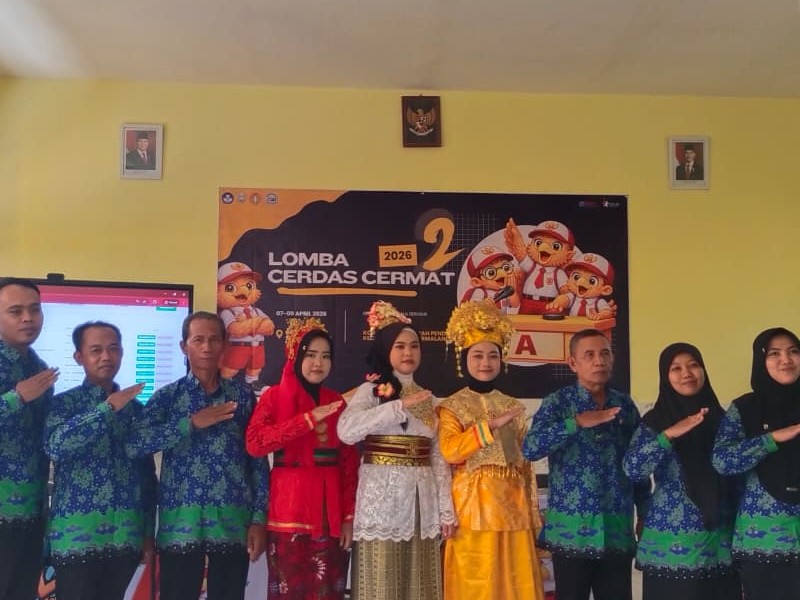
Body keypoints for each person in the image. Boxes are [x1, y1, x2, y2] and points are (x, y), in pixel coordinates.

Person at [126, 311, 269, 600]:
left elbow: (257, 459)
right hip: (181, 527)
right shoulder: (168, 397)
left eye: (214, 340)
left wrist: (258, 519)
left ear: (224, 345)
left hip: (232, 524)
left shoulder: (242, 398)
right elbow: (135, 445)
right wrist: (189, 423)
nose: (206, 347)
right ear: (184, 346)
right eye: (198, 340)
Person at [337, 300, 457, 600]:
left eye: (414, 346)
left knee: (419, 583)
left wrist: (446, 511)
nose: (408, 353)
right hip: (380, 501)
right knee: (381, 582)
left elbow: (438, 459)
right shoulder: (372, 391)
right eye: (400, 346)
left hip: (421, 502)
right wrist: (397, 407)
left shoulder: (430, 399)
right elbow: (346, 432)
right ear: (386, 350)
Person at [522, 328, 650, 600]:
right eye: (589, 355)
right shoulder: (558, 403)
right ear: (573, 363)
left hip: (616, 530)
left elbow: (638, 463)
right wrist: (576, 423)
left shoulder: (624, 405)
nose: (599, 361)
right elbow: (531, 449)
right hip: (571, 533)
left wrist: (644, 513)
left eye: (605, 354)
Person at [437, 300, 545, 600]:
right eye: (478, 355)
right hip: (472, 509)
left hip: (514, 507)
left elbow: (524, 464)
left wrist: (532, 511)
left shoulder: (512, 405)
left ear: (502, 360)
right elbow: (450, 451)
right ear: (464, 359)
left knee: (515, 583)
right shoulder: (451, 406)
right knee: (477, 583)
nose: (485, 362)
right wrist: (488, 427)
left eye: (493, 355)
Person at [245, 317, 359, 599]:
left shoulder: (336, 402)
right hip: (288, 510)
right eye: (311, 355)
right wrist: (307, 419)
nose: (318, 363)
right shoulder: (274, 397)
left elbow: (349, 464)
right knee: (288, 590)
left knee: (327, 590)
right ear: (295, 357)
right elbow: (255, 444)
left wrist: (348, 517)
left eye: (325, 356)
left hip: (330, 513)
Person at [44, 321, 158, 600]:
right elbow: (55, 446)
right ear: (79, 357)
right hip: (76, 539)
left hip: (124, 538)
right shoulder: (63, 404)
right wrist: (106, 410)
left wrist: (146, 532)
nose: (106, 356)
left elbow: (146, 476)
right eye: (96, 350)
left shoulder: (136, 410)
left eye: (113, 348)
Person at [622, 343, 741, 600]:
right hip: (671, 548)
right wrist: (669, 435)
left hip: (720, 545)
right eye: (676, 368)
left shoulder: (725, 420)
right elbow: (633, 468)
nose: (686, 373)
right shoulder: (655, 422)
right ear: (665, 376)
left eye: (693, 365)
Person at [712, 327, 800, 600]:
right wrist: (771, 439)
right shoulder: (745, 408)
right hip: (763, 542)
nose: (786, 359)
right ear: (761, 360)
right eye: (774, 353)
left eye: (793, 351)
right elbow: (722, 461)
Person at [0, 277, 59, 599]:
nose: (28, 318)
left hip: (32, 509)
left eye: (34, 310)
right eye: (16, 311)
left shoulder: (38, 366)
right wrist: (15, 398)